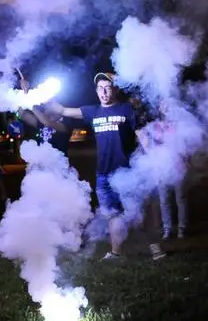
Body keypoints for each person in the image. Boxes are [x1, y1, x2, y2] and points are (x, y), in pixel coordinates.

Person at [46, 72, 165, 260]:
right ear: (96, 91)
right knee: (112, 214)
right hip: (103, 175)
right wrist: (44, 95)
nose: (103, 92)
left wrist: (154, 161)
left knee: (138, 213)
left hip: (127, 172)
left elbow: (142, 136)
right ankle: (116, 253)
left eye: (107, 87)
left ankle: (155, 248)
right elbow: (62, 111)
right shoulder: (92, 111)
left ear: (115, 89)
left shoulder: (127, 110)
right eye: (100, 88)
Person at [137, 99, 190, 239]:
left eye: (167, 104)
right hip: (161, 167)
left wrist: (185, 160)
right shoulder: (154, 126)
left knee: (180, 198)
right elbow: (146, 143)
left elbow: (185, 144)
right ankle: (167, 229)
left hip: (178, 167)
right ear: (159, 108)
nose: (165, 107)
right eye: (162, 104)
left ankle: (181, 228)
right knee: (164, 200)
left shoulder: (178, 125)